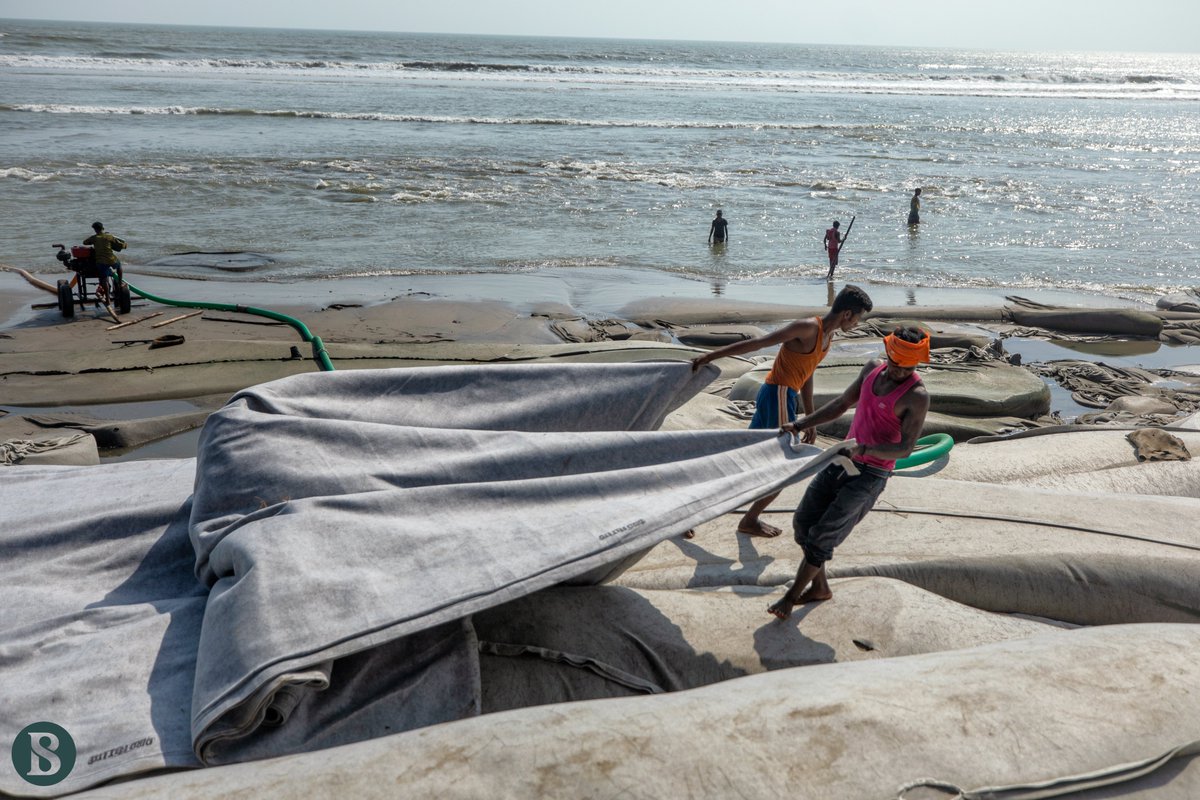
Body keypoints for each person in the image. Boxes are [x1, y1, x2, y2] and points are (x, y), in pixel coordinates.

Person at [767, 326, 931, 619]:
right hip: (841, 459)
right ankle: (820, 588)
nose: (899, 372)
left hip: (871, 474)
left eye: (908, 368)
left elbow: (905, 449)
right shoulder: (871, 369)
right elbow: (842, 404)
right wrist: (802, 424)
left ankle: (790, 599)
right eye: (895, 364)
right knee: (803, 523)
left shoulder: (917, 396)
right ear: (888, 354)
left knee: (822, 537)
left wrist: (865, 449)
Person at [691, 284, 874, 537]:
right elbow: (759, 343)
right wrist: (711, 357)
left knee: (743, 457)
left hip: (785, 396)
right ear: (847, 314)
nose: (856, 324)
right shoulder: (808, 327)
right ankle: (749, 519)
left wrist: (809, 419)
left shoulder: (828, 337)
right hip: (777, 393)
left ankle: (689, 510)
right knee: (784, 465)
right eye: (858, 318)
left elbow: (807, 374)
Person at [82, 221, 125, 299]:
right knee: (119, 265)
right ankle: (120, 283)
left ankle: (107, 299)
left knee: (104, 279)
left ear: (95, 230)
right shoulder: (109, 236)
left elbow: (84, 242)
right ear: (103, 228)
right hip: (111, 260)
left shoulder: (94, 238)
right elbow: (119, 244)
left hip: (101, 262)